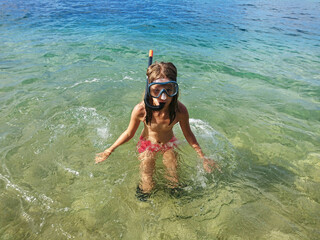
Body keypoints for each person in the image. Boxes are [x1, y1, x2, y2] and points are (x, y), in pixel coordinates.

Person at [95, 61, 220, 196]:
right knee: (147, 184)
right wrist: (109, 150)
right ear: (149, 89)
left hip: (169, 144)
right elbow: (129, 133)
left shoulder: (179, 110)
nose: (163, 96)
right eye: (157, 90)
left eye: (169, 90)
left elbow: (189, 134)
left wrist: (202, 157)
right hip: (147, 145)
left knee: (174, 181)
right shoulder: (141, 110)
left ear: (175, 89)